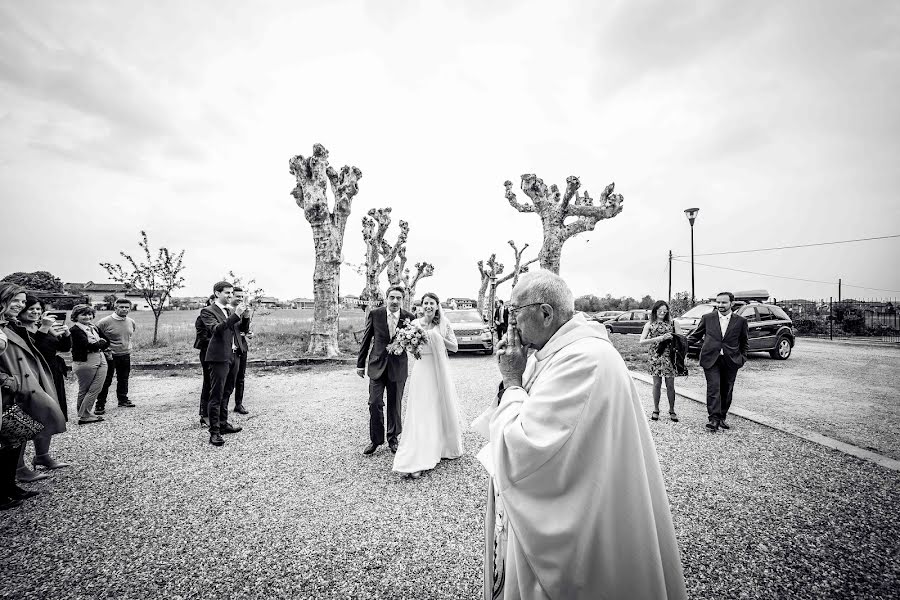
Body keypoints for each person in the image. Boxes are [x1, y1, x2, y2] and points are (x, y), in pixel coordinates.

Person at [472, 271, 686, 599]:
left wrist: (513, 379)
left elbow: (526, 448)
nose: (510, 323)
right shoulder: (555, 349)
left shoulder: (584, 360)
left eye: (515, 312)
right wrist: (512, 379)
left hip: (583, 522)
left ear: (545, 313)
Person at [0, 284, 69, 490]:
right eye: (19, 302)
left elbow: (59, 349)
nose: (31, 310)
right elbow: (38, 349)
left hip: (35, 378)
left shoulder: (11, 325)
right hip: (15, 383)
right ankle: (14, 476)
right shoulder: (12, 327)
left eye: (24, 302)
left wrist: (64, 335)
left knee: (32, 423)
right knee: (13, 432)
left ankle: (11, 484)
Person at [392, 292, 464, 479]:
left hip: (438, 371)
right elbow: (408, 348)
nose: (428, 306)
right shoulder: (414, 324)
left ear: (437, 305)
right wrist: (412, 345)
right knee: (419, 410)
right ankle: (417, 452)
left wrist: (436, 338)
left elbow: (454, 347)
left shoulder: (444, 324)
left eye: (432, 303)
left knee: (437, 407)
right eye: (425, 303)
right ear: (421, 306)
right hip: (421, 370)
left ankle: (438, 447)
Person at [356, 285, 416, 455]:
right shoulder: (376, 314)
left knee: (394, 405)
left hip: (398, 368)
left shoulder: (409, 318)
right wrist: (360, 364)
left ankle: (393, 439)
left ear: (402, 300)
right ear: (387, 298)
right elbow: (366, 340)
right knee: (374, 403)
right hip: (376, 365)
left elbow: (414, 344)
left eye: (398, 298)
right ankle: (375, 440)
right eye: (392, 297)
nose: (395, 301)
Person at [687, 291, 749, 432]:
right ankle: (713, 419)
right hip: (711, 359)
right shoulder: (708, 318)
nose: (720, 305)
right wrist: (679, 343)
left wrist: (742, 359)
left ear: (732, 304)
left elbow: (744, 342)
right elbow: (695, 336)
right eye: (718, 302)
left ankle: (722, 417)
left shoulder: (741, 321)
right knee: (714, 388)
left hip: (731, 360)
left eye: (724, 302)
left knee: (726, 390)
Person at [199, 281, 245, 446]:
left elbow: (240, 330)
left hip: (234, 355)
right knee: (216, 395)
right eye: (227, 293)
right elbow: (216, 329)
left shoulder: (231, 310)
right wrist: (235, 316)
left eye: (231, 293)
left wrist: (244, 316)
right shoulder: (207, 311)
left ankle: (224, 424)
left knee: (227, 392)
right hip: (219, 357)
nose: (230, 296)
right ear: (217, 293)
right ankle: (214, 432)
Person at [18, 295, 71, 420]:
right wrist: (44, 327)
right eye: (31, 309)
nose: (35, 312)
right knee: (40, 414)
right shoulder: (18, 330)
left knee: (54, 414)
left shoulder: (40, 326)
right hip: (36, 373)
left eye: (38, 309)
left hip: (53, 371)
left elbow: (64, 348)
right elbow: (33, 350)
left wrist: (66, 334)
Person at [69, 304, 110, 424]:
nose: (87, 317)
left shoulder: (93, 327)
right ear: (76, 316)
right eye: (83, 314)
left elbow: (106, 341)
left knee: (96, 387)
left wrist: (99, 344)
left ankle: (83, 413)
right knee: (87, 389)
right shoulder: (75, 330)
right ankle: (84, 415)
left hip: (100, 358)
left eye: (89, 314)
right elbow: (88, 346)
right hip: (85, 361)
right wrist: (99, 343)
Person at [639, 300, 679, 422]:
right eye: (660, 310)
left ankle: (672, 410)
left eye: (664, 310)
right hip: (655, 356)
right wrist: (660, 338)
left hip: (669, 356)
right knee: (656, 384)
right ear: (655, 311)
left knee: (670, 385)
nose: (662, 312)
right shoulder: (649, 324)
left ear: (667, 311)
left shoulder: (673, 323)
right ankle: (656, 409)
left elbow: (681, 339)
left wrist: (673, 338)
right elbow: (641, 341)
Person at [95, 298, 137, 414]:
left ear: (130, 308)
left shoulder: (131, 321)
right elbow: (95, 336)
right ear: (115, 308)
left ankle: (123, 399)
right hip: (109, 356)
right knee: (106, 380)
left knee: (123, 378)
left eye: (127, 307)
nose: (124, 309)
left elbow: (129, 335)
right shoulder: (104, 322)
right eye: (121, 307)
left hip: (125, 354)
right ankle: (100, 404)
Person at [194, 295, 215, 427]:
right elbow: (202, 337)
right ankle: (204, 415)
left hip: (220, 353)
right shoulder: (202, 317)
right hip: (207, 352)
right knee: (208, 383)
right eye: (213, 302)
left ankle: (214, 414)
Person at [229, 287, 251, 415]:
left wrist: (247, 317)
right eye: (237, 296)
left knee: (241, 377)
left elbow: (244, 329)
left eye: (242, 297)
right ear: (231, 296)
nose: (240, 299)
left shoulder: (242, 310)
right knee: (228, 379)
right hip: (229, 347)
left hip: (241, 346)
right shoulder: (227, 310)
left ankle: (239, 404)